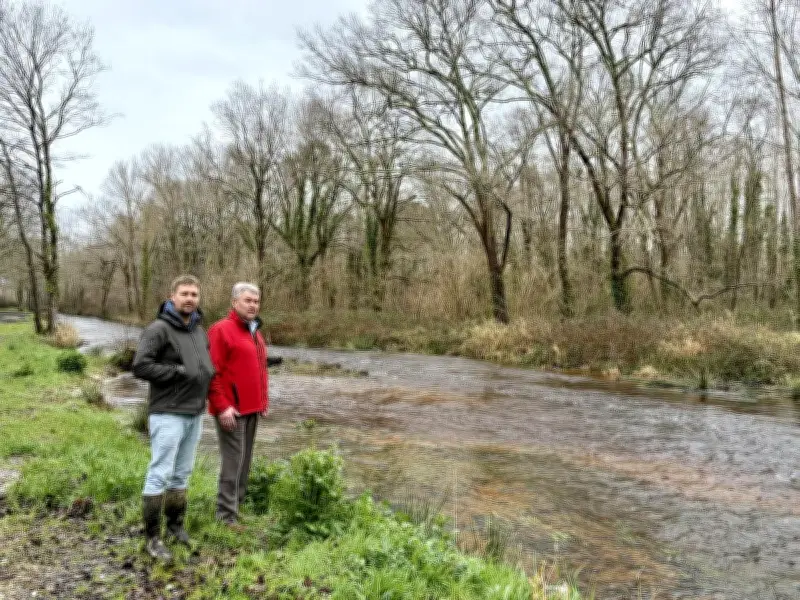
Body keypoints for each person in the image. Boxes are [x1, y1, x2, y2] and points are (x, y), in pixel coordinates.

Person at [132, 275, 215, 560]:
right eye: (185, 294)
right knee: (160, 473)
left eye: (194, 294)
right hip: (168, 412)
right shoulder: (158, 329)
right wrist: (176, 373)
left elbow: (205, 368)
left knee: (182, 474)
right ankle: (152, 539)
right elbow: (140, 366)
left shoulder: (198, 332)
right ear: (172, 296)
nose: (190, 299)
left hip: (194, 412)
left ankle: (176, 528)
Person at [207, 282, 272, 526]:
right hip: (231, 410)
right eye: (248, 300)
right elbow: (211, 373)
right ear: (234, 302)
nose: (253, 305)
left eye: (256, 301)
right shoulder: (220, 330)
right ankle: (225, 516)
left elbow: (260, 371)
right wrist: (222, 406)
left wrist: (263, 401)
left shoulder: (255, 332)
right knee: (233, 462)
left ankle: (237, 507)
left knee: (245, 461)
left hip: (252, 408)